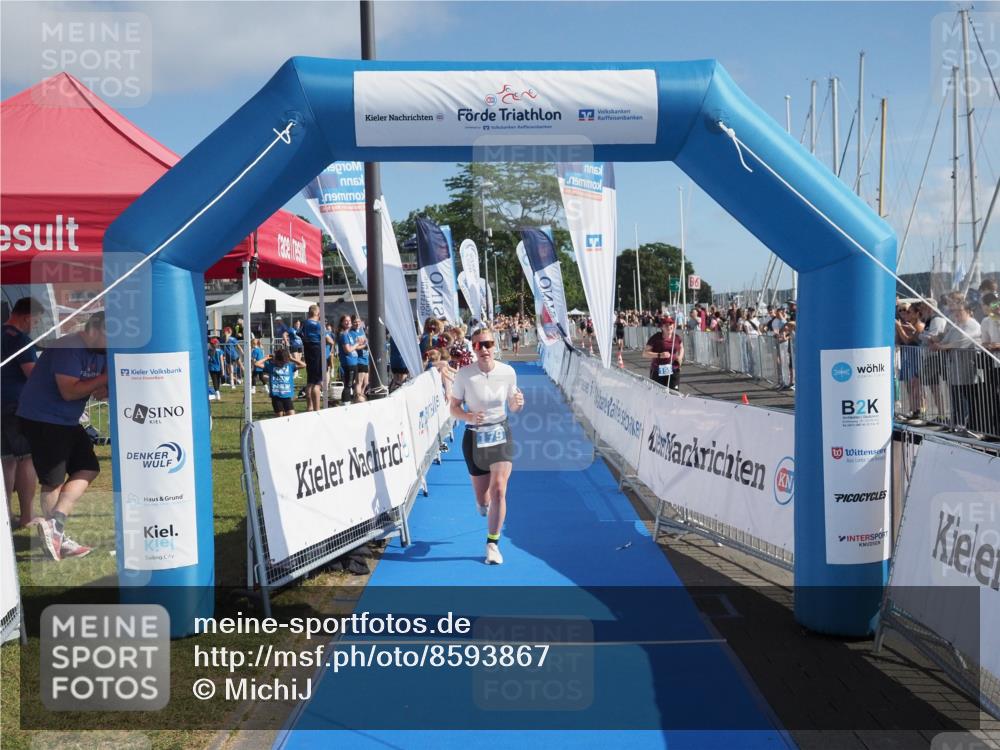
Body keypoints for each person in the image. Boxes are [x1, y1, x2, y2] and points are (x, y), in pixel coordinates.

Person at [17, 312, 108, 561]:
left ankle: (55, 526)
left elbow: (99, 393)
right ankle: (55, 538)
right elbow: (69, 392)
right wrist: (104, 379)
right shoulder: (68, 347)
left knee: (88, 467)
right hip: (42, 418)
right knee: (53, 481)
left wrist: (107, 383)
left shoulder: (100, 351)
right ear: (97, 330)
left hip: (66, 420)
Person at [449, 327, 525, 565]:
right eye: (478, 345)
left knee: (500, 489)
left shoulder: (508, 372)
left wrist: (517, 403)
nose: (484, 349)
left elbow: (513, 406)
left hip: (500, 433)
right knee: (484, 501)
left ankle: (492, 543)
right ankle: (484, 506)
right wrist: (469, 417)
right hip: (474, 437)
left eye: (488, 344)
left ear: (495, 345)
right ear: (473, 348)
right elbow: (453, 408)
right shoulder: (464, 374)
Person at [2, 297, 43, 528]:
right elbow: (32, 374)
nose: (35, 325)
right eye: (35, 320)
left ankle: (5, 515)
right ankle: (27, 515)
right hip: (16, 405)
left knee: (6, 460)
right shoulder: (20, 339)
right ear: (27, 316)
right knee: (26, 457)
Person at [255, 347, 305, 417]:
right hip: (276, 396)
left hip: (287, 396)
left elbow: (303, 365)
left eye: (283, 362)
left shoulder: (290, 366)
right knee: (279, 416)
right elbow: (257, 364)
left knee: (291, 415)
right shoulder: (271, 366)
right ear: (275, 360)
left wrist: (291, 358)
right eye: (279, 362)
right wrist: (266, 358)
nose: (281, 364)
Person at [302, 305, 333, 412]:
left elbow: (299, 334)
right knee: (317, 383)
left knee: (310, 381)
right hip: (317, 352)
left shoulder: (305, 323)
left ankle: (309, 406)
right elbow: (329, 340)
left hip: (308, 351)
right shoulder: (318, 325)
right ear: (316, 313)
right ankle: (317, 409)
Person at [643, 317, 684, 390]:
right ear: (662, 327)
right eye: (666, 325)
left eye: (671, 324)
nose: (669, 327)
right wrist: (659, 355)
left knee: (674, 393)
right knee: (659, 393)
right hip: (658, 370)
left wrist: (680, 357)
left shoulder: (677, 337)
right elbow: (645, 353)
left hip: (673, 369)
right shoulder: (656, 338)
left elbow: (681, 347)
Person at [336, 315, 364, 404]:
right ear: (342, 323)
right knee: (348, 385)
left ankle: (349, 401)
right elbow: (348, 350)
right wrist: (357, 343)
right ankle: (345, 403)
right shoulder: (343, 335)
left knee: (351, 384)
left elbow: (354, 347)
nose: (348, 322)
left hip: (353, 362)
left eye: (349, 320)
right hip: (348, 363)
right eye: (345, 321)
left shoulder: (348, 334)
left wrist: (362, 344)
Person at [352, 315, 370, 402]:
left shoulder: (361, 332)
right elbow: (354, 347)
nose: (357, 323)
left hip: (365, 359)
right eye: (355, 322)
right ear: (352, 323)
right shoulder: (352, 333)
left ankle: (361, 397)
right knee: (359, 382)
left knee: (366, 382)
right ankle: (358, 400)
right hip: (359, 360)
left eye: (358, 322)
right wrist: (364, 346)